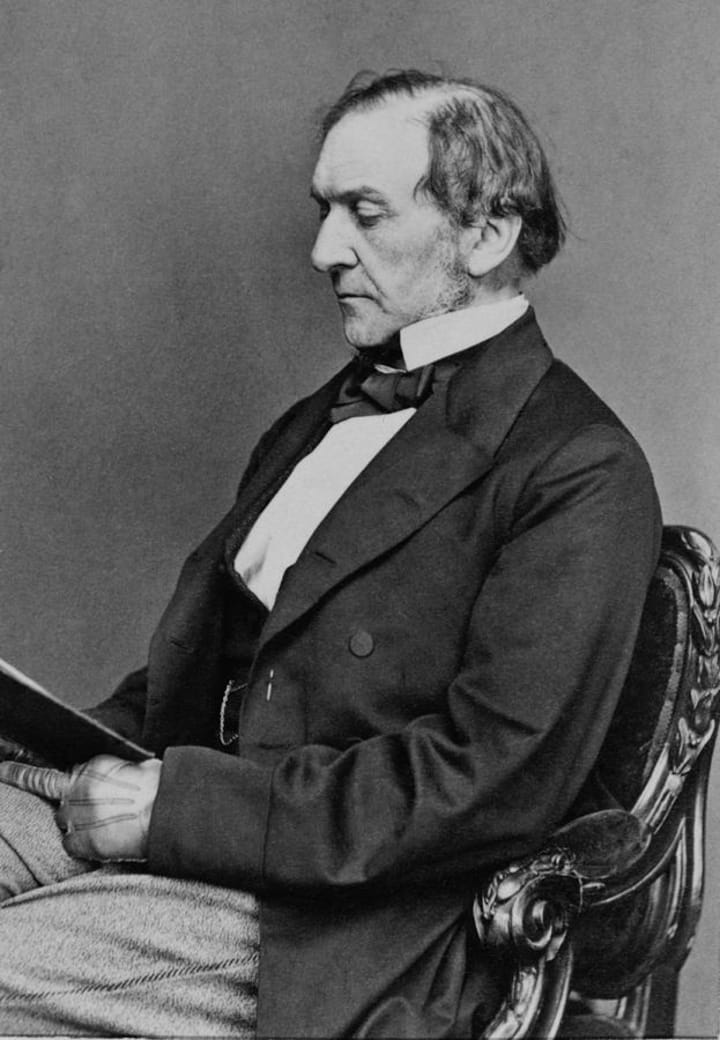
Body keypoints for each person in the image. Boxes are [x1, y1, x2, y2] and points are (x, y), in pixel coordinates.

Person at [0, 69, 661, 1038]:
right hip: (191, 825)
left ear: (487, 234)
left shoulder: (580, 469)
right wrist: (46, 738)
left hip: (348, 926)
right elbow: (227, 666)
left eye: (365, 212)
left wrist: (178, 809)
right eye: (325, 210)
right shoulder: (321, 417)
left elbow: (484, 782)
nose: (323, 250)